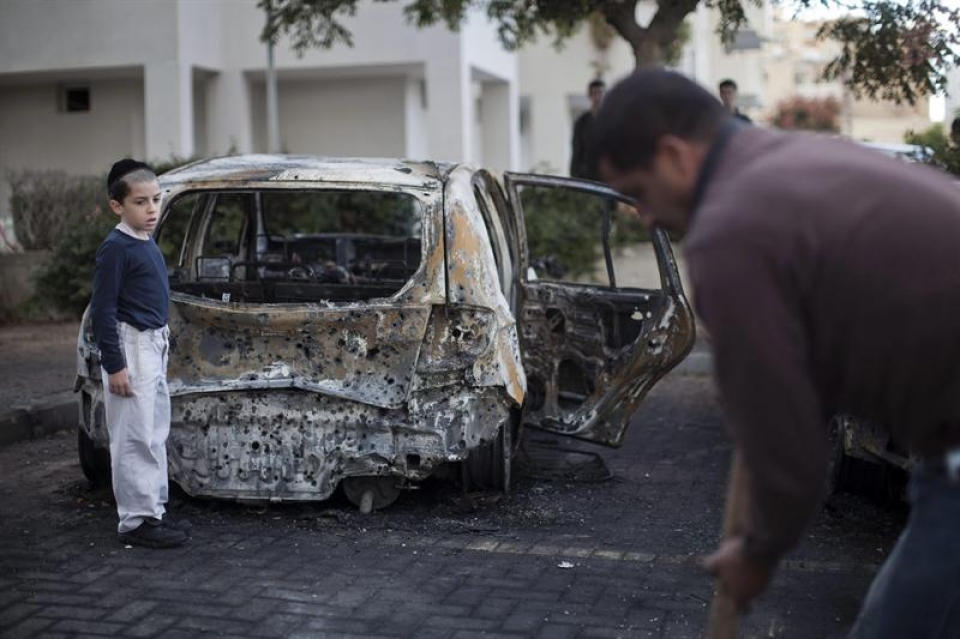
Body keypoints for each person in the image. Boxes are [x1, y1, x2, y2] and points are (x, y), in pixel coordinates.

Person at [591, 69, 960, 638]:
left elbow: (792, 458)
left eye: (638, 193)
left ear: (674, 156)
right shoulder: (781, 159)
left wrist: (756, 553)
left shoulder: (730, 233)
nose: (645, 217)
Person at [90, 159, 191, 549]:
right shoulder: (115, 248)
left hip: (152, 344)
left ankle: (153, 510)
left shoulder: (143, 240)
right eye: (140, 202)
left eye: (156, 200)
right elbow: (103, 310)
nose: (152, 210)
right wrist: (115, 365)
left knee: (152, 432)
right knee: (133, 436)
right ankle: (136, 521)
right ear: (117, 206)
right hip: (130, 347)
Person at [570, 78, 606, 180]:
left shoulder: (611, 120)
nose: (598, 97)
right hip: (587, 177)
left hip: (607, 177)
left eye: (600, 92)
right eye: (594, 93)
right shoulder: (581, 123)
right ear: (589, 95)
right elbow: (577, 151)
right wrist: (575, 175)